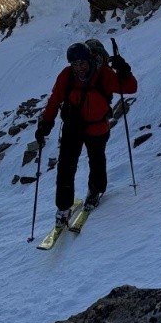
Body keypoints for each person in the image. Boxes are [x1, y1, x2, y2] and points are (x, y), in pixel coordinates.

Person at [35, 41, 137, 227]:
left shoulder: (103, 74)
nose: (79, 68)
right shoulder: (66, 76)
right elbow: (54, 100)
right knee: (66, 167)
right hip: (72, 128)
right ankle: (63, 208)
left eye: (82, 63)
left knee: (96, 160)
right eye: (74, 64)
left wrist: (124, 71)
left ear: (90, 60)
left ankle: (95, 191)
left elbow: (130, 88)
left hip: (97, 127)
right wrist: (45, 125)